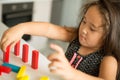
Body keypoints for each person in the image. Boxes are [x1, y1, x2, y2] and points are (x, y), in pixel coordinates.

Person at [0, 0, 120, 80]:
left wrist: (71, 73)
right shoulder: (76, 36)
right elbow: (48, 29)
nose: (83, 29)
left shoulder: (108, 59)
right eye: (84, 21)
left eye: (92, 29)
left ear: (108, 36)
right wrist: (22, 28)